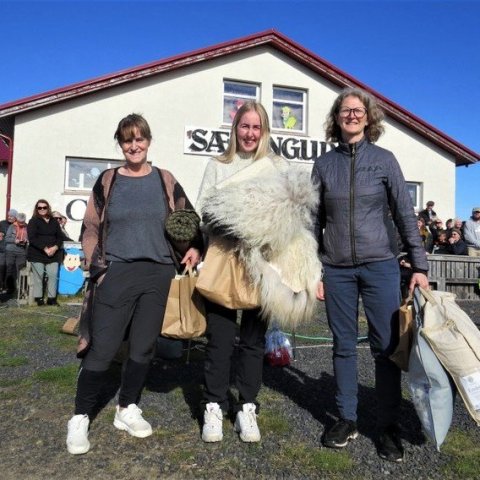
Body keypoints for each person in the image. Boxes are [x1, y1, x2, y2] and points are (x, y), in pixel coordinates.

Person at [66, 113, 202, 455]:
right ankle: (80, 416)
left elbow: (187, 219)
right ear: (120, 143)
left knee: (143, 347)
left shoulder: (165, 180)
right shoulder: (108, 181)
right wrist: (98, 268)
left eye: (140, 138)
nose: (134, 145)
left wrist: (195, 247)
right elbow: (90, 227)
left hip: (157, 274)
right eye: (128, 139)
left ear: (149, 141)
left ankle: (126, 408)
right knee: (104, 347)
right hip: (117, 273)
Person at [311, 87, 429, 463]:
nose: (351, 115)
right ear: (336, 117)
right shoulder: (323, 165)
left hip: (380, 265)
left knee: (385, 348)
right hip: (336, 268)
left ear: (369, 117)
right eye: (345, 110)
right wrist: (312, 269)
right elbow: (313, 223)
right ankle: (347, 419)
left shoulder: (385, 160)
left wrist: (420, 265)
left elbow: (405, 214)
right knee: (343, 345)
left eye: (358, 110)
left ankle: (389, 425)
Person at [196, 101, 288, 444]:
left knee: (252, 342)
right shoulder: (218, 165)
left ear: (264, 132)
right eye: (244, 126)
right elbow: (204, 210)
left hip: (262, 264)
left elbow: (288, 212)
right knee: (219, 341)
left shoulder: (277, 166)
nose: (250, 133)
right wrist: (237, 220)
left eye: (256, 127)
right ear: (235, 129)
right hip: (223, 258)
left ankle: (247, 406)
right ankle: (214, 406)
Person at [27, 200, 64, 306]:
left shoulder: (54, 221)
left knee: (53, 275)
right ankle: (39, 298)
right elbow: (32, 238)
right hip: (37, 253)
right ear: (37, 209)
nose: (42, 209)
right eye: (40, 208)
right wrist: (45, 249)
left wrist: (55, 247)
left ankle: (51, 299)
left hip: (53, 253)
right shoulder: (33, 221)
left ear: (48, 208)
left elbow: (60, 237)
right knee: (39, 277)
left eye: (44, 207)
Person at [5, 212, 28, 294]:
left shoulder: (27, 227)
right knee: (10, 268)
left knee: (21, 270)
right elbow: (7, 239)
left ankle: (22, 290)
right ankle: (10, 288)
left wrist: (26, 240)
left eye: (23, 222)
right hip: (10, 250)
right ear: (17, 220)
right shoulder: (12, 226)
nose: (21, 224)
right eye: (19, 222)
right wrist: (15, 241)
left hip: (21, 251)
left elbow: (30, 238)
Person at [0, 209, 18, 293]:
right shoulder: (2, 223)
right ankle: (1, 286)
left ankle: (9, 287)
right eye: (9, 215)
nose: (9, 217)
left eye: (12, 216)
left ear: (15, 217)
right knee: (1, 267)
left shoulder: (17, 225)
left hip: (12, 250)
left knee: (10, 268)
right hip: (2, 249)